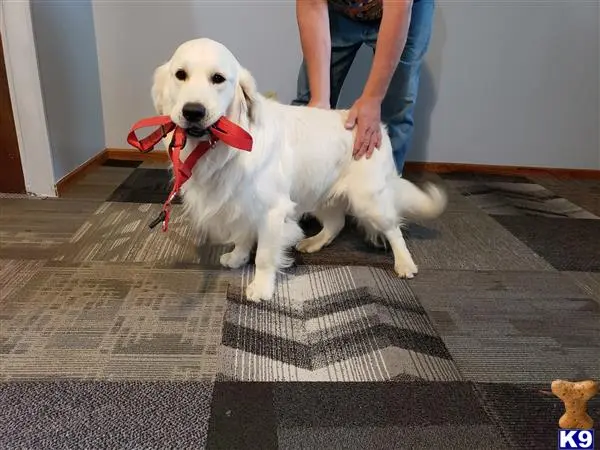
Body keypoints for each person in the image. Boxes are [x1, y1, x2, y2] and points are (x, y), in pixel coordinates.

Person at [292, 0, 434, 174]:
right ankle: (304, 189)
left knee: (396, 111)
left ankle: (384, 192)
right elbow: (311, 5)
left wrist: (373, 99)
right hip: (339, 10)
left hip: (401, 9)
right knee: (309, 110)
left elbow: (398, 7)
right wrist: (319, 100)